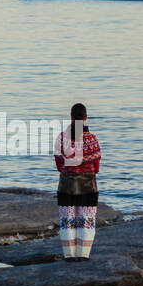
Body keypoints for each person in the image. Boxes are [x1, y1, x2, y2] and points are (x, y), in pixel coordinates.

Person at [53, 103, 101, 261]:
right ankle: (83, 256)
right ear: (86, 118)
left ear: (71, 117)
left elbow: (59, 165)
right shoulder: (92, 139)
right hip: (88, 185)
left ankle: (69, 256)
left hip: (67, 185)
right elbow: (96, 166)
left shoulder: (61, 138)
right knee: (87, 220)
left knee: (67, 221)